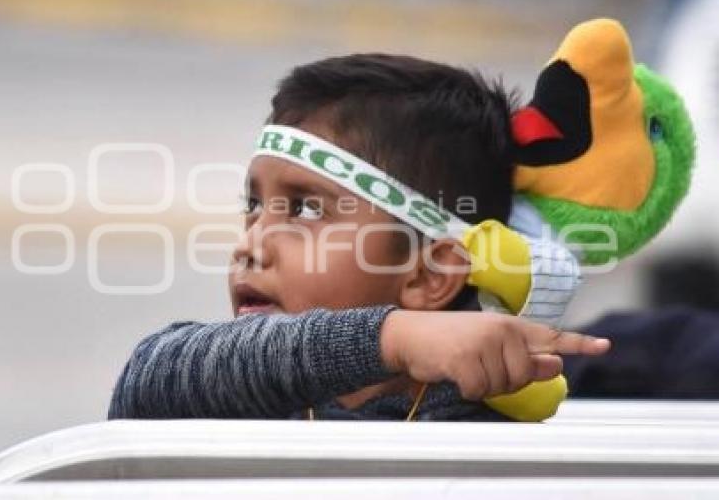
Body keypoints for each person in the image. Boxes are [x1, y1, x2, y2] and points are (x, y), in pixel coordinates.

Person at [108, 54, 609, 421]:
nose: (252, 244)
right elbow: (147, 379)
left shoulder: (474, 430)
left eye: (305, 209)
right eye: (254, 206)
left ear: (429, 274)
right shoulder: (241, 392)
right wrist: (390, 338)